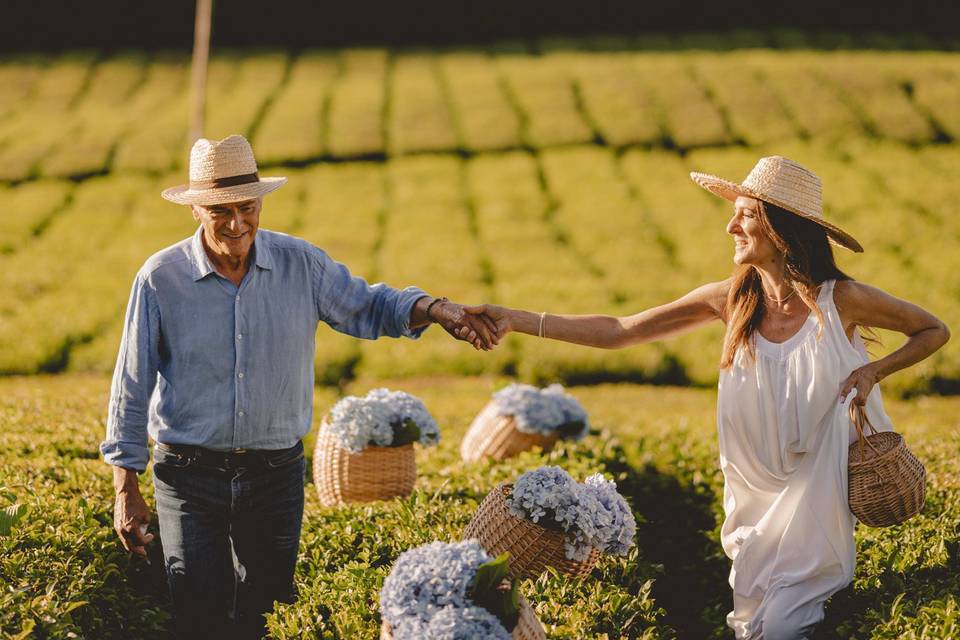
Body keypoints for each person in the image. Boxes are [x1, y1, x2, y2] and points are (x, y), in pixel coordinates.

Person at [467, 156, 950, 639]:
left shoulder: (841, 299)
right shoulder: (731, 298)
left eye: (745, 215)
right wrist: (517, 318)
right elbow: (620, 331)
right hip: (752, 502)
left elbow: (933, 329)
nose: (730, 226)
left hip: (815, 495)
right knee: (753, 627)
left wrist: (872, 371)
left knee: (782, 626)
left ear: (781, 229)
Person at [100, 134, 499, 640]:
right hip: (187, 475)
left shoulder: (301, 265)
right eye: (221, 211)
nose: (237, 223)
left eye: (247, 207)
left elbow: (368, 305)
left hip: (274, 473)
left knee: (269, 615)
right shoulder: (160, 278)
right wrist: (125, 488)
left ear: (260, 202)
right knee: (198, 613)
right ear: (196, 209)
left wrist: (436, 309)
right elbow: (131, 384)